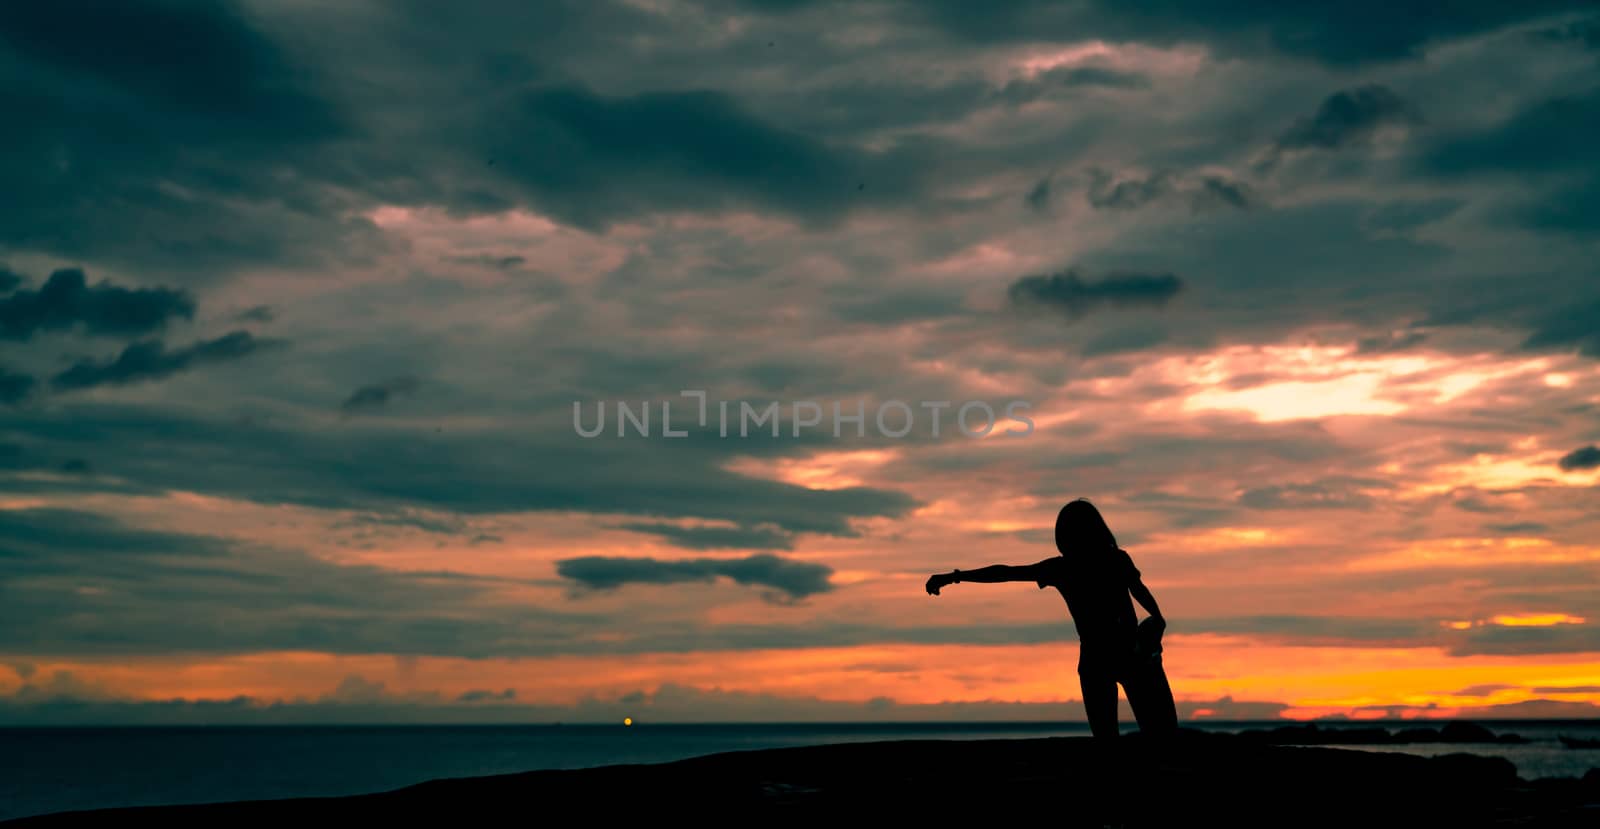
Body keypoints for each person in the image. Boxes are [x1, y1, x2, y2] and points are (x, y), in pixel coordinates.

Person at [924, 498, 1177, 740]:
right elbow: (1005, 573)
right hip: (1114, 656)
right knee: (1149, 739)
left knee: (1128, 741)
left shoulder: (1078, 566)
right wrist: (1158, 619)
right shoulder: (1106, 561)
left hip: (1115, 656)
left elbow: (1006, 573)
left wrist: (954, 577)